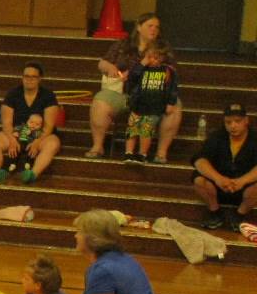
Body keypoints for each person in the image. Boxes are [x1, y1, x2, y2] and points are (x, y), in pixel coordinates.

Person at [89, 13, 182, 159]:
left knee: (175, 106)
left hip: (152, 93)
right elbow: (102, 62)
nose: (154, 30)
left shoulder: (162, 48)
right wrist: (110, 67)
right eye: (150, 26)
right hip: (124, 92)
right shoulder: (124, 44)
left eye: (157, 27)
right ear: (139, 27)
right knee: (100, 101)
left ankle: (161, 153)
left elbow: (171, 72)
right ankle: (98, 146)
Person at [0, 63, 61, 184]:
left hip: (40, 134)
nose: (29, 79)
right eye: (26, 76)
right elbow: (6, 122)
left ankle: (33, 174)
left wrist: (37, 142)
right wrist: (12, 139)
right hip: (17, 133)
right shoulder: (12, 94)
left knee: (52, 144)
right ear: (22, 77)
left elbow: (49, 126)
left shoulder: (48, 96)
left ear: (40, 79)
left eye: (33, 77)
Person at [191, 103, 257, 231]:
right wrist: (218, 178)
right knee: (199, 179)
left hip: (245, 187)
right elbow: (199, 160)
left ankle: (240, 215)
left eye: (237, 121)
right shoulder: (217, 136)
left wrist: (242, 181)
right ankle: (214, 212)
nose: (233, 125)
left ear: (246, 121)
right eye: (228, 122)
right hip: (219, 186)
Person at [120, 46, 179, 163]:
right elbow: (132, 77)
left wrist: (170, 103)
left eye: (156, 57)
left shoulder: (167, 71)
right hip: (138, 105)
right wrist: (142, 63)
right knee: (132, 128)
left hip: (154, 107)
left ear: (162, 58)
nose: (153, 60)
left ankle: (142, 154)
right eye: (149, 57)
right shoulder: (141, 68)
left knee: (146, 130)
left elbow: (173, 88)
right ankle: (129, 152)